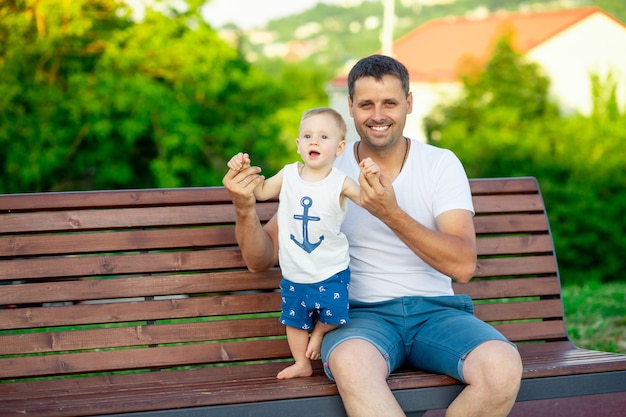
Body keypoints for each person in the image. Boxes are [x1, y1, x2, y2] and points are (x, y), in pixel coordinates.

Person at [222, 55, 522, 416]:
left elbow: (462, 265)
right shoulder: (324, 169)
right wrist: (244, 207)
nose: (378, 115)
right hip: (360, 318)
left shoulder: (440, 164)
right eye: (366, 104)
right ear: (350, 107)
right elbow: (262, 258)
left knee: (502, 367)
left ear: (408, 104)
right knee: (352, 364)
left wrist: (389, 212)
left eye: (390, 103)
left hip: (437, 314)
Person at [226, 107, 380, 380]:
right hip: (295, 272)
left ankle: (319, 332)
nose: (314, 141)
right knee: (294, 322)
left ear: (339, 148)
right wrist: (244, 171)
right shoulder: (288, 175)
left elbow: (369, 200)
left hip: (330, 270)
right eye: (307, 136)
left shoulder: (340, 182)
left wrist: (370, 176)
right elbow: (260, 192)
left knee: (334, 315)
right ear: (298, 145)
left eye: (323, 136)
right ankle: (301, 363)